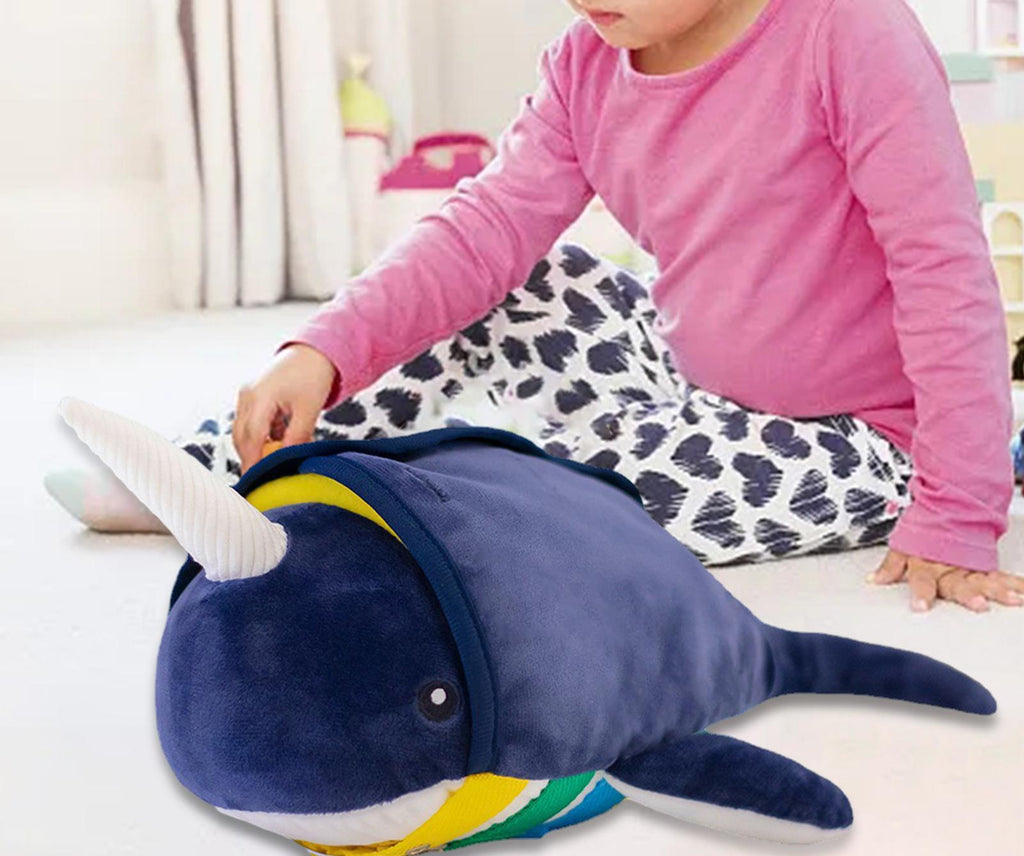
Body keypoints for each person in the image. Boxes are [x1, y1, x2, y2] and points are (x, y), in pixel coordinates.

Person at [48, 0, 1024, 613]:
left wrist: (958, 509)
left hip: (859, 441)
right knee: (517, 279)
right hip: (687, 377)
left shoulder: (849, 31)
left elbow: (944, 270)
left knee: (594, 505)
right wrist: (323, 352)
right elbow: (480, 231)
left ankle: (354, 519)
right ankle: (228, 466)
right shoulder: (585, 63)